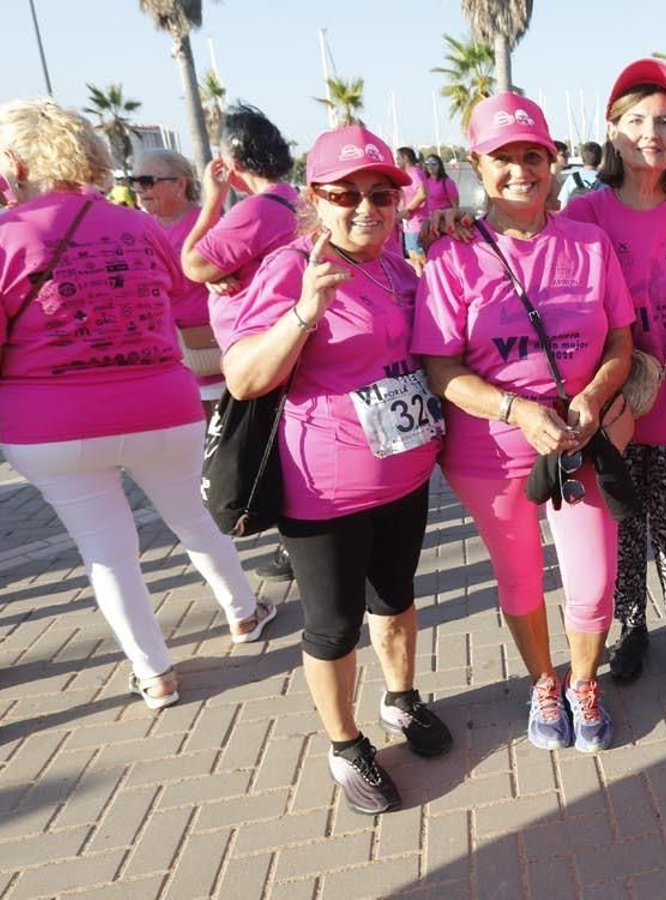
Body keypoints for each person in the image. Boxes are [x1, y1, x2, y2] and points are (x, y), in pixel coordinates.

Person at [0, 98, 274, 711]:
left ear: (13, 159)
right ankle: (245, 613)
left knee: (107, 552)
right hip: (161, 407)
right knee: (193, 517)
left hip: (52, 424)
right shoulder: (138, 224)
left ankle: (155, 673)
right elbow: (177, 290)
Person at [220, 124, 450, 815]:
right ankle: (346, 743)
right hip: (325, 491)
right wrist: (302, 315)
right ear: (314, 198)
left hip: (405, 477)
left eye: (380, 194)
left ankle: (401, 700)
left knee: (397, 598)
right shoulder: (291, 266)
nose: (365, 208)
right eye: (345, 194)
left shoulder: (394, 265)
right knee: (332, 625)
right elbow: (241, 377)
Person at [415, 92, 634, 753]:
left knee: (593, 581)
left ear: (553, 161)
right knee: (518, 577)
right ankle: (544, 680)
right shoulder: (452, 256)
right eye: (502, 158)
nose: (520, 171)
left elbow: (622, 342)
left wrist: (593, 396)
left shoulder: (590, 244)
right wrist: (514, 408)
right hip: (491, 450)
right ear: (477, 166)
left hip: (579, 442)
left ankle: (584, 681)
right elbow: (439, 369)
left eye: (532, 155)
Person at [561, 59, 666, 692]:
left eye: (664, 121)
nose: (650, 133)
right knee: (624, 535)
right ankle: (631, 629)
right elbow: (521, 245)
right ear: (612, 129)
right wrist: (455, 225)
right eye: (635, 120)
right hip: (610, 414)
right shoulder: (584, 213)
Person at [181, 103, 299, 582]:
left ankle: (294, 536)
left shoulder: (256, 208)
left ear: (232, 159)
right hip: (283, 339)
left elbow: (193, 265)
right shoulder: (294, 200)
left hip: (259, 349)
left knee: (265, 448)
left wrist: (211, 200)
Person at [131, 148, 223, 416]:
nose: (139, 189)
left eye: (147, 181)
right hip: (163, 356)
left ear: (179, 184)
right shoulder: (138, 227)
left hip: (207, 352)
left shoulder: (210, 224)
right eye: (133, 182)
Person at [557, 141, 602, 207]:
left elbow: (563, 207)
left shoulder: (572, 178)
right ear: (600, 158)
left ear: (582, 158)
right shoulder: (606, 181)